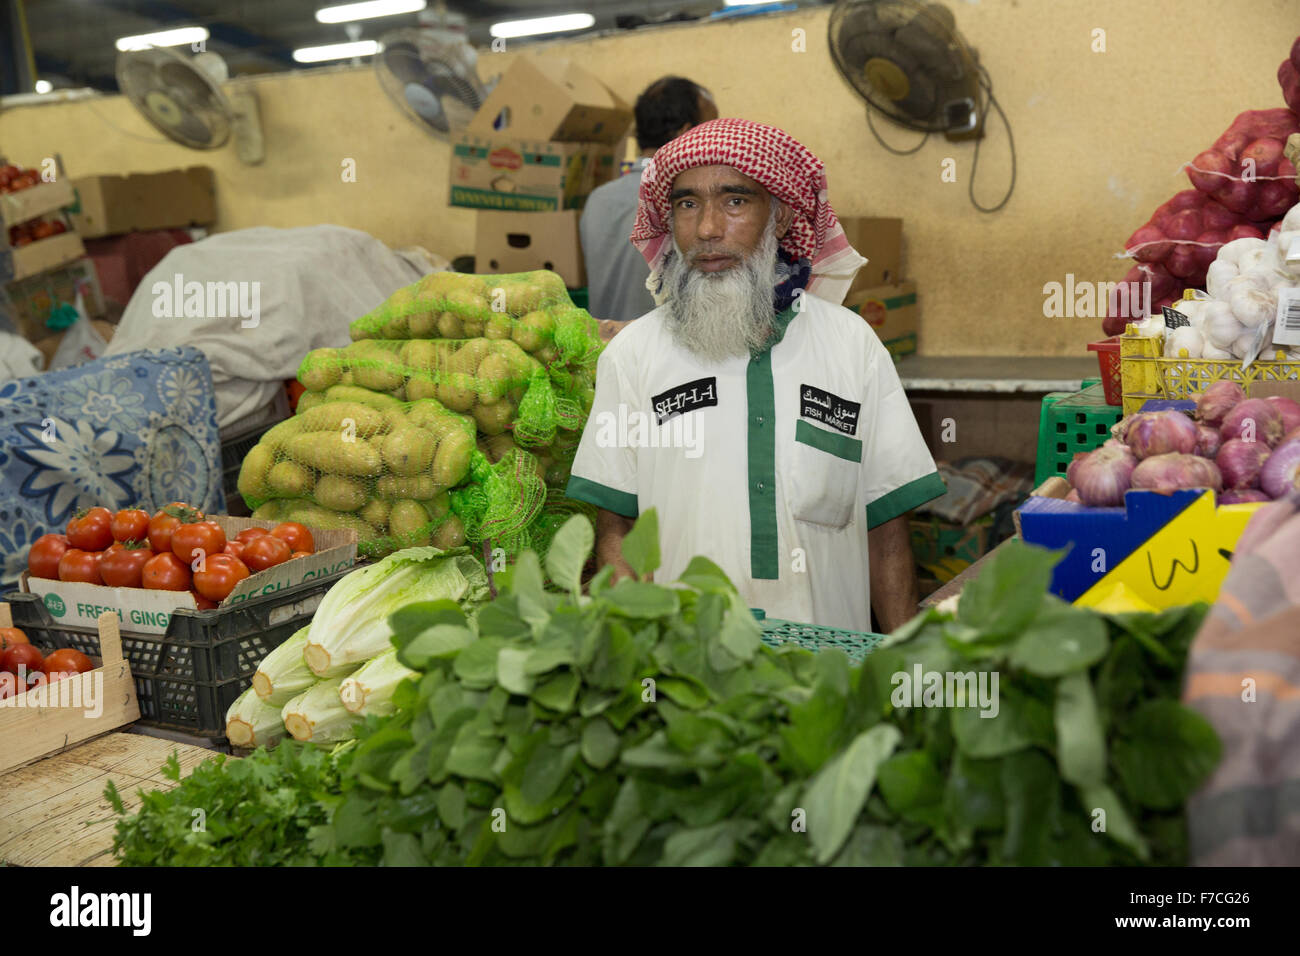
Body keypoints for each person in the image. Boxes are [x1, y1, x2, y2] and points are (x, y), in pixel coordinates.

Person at [565, 118, 945, 633]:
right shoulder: (633, 356)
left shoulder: (853, 346)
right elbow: (617, 533)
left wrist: (907, 666)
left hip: (831, 672)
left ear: (782, 216)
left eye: (735, 201)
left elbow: (887, 532)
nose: (707, 229)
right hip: (686, 672)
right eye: (687, 204)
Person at [581, 76, 717, 330]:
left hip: (602, 348)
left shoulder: (598, 199)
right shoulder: (680, 203)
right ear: (686, 134)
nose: (716, 141)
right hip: (662, 358)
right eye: (710, 130)